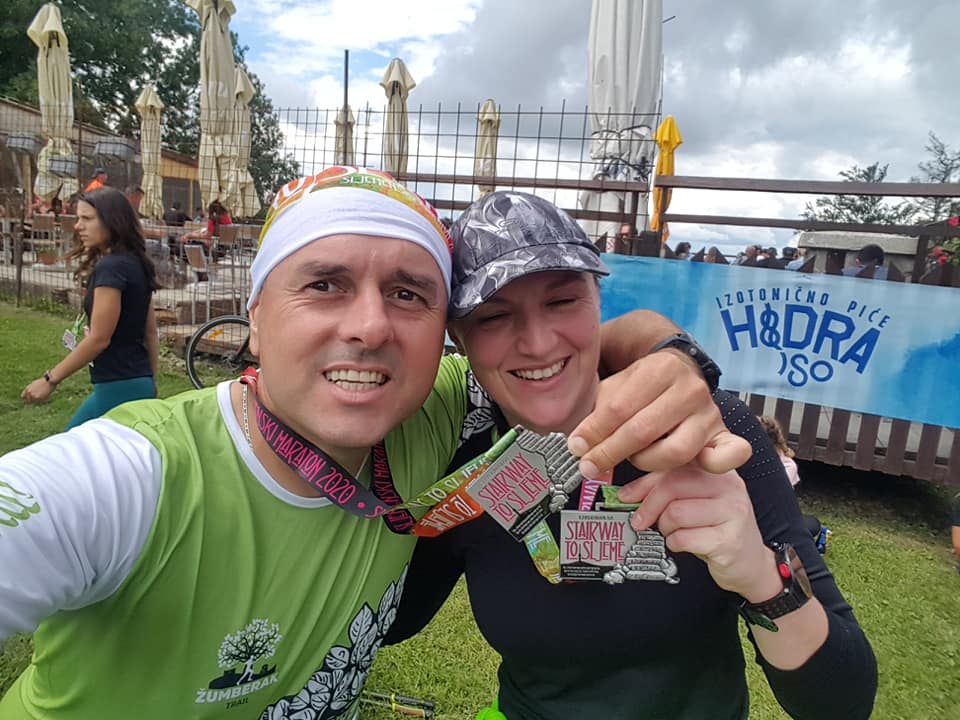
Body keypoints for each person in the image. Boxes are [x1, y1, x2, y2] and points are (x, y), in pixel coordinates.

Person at [0, 168, 747, 719]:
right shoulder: (132, 476)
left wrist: (673, 355)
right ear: (255, 315)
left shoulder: (434, 406)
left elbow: (555, 347)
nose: (370, 327)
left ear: (441, 337)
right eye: (324, 284)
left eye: (407, 293)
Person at [387, 191, 877, 720]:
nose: (538, 343)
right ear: (458, 338)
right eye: (494, 316)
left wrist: (759, 576)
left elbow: (841, 702)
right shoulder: (465, 458)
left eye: (562, 301)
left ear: (598, 300)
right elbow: (390, 622)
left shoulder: (703, 429)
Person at [20, 187, 159, 430]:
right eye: (78, 218)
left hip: (118, 387)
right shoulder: (136, 262)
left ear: (112, 220)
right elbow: (150, 332)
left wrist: (50, 380)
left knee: (69, 449)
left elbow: (99, 339)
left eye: (87, 218)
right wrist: (151, 381)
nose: (78, 226)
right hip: (136, 383)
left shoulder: (111, 268)